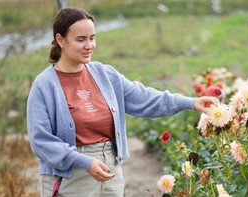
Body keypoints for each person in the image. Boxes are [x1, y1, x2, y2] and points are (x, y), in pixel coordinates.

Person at [26, 8, 219, 197]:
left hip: (111, 173)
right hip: (70, 177)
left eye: (92, 38)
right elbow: (41, 141)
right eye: (81, 39)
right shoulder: (44, 86)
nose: (89, 45)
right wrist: (84, 161)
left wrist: (191, 102)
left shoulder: (105, 75)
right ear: (60, 40)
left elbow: (145, 99)